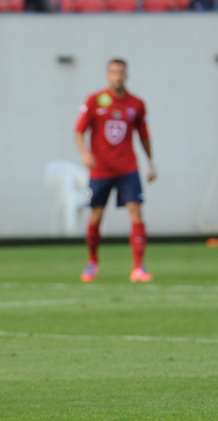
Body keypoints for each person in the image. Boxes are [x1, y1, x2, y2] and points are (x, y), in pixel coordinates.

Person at [74, 58, 156, 283]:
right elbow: (79, 130)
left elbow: (144, 135)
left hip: (127, 167)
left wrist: (151, 163)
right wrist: (85, 153)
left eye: (121, 72)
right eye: (113, 72)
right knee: (96, 215)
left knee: (135, 211)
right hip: (100, 169)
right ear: (107, 75)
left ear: (126, 75)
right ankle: (92, 261)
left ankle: (138, 267)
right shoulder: (95, 100)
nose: (117, 76)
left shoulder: (136, 104)